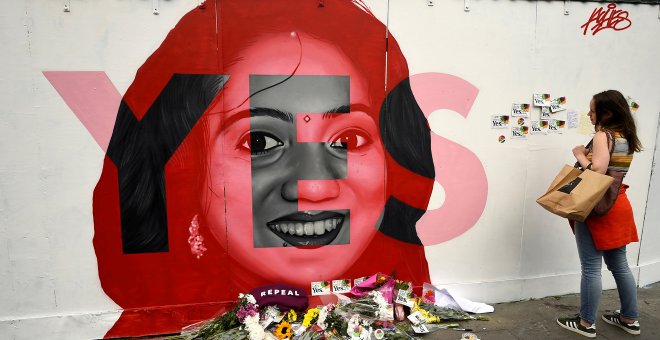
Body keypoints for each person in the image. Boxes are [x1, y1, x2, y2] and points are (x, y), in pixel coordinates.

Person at [92, 1, 435, 337]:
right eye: (259, 142)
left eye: (347, 140)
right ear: (186, 168)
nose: (314, 187)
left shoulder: (399, 315)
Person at [556, 90, 642, 338]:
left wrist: (580, 155)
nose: (588, 114)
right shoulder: (626, 135)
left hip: (596, 207)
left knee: (591, 267)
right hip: (619, 204)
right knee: (620, 266)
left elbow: (598, 170)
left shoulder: (603, 136)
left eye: (592, 110)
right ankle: (629, 318)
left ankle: (586, 323)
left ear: (606, 112)